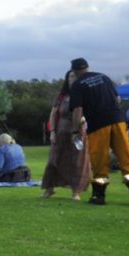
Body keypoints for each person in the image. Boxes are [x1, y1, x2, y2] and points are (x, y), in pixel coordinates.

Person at [68, 58, 129, 205]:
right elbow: (118, 98)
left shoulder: (77, 85)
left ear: (75, 71)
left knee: (100, 159)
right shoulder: (104, 77)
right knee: (125, 155)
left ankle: (99, 196)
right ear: (88, 67)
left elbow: (77, 110)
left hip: (98, 124)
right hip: (118, 120)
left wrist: (75, 131)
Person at [41, 71, 92, 200]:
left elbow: (91, 111)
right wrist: (52, 131)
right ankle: (49, 188)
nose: (73, 78)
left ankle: (76, 191)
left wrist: (85, 119)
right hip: (61, 129)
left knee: (78, 161)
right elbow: (53, 114)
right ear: (67, 79)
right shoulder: (61, 96)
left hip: (79, 130)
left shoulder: (85, 94)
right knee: (54, 159)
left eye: (75, 76)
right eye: (71, 76)